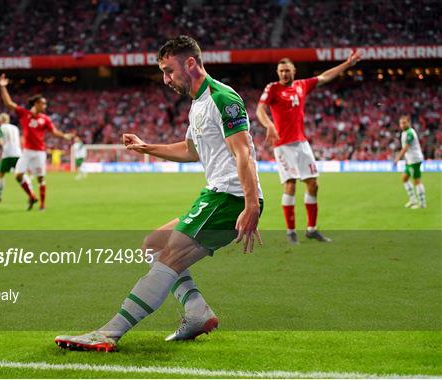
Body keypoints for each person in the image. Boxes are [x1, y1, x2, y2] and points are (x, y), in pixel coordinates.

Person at [55, 35, 263, 352]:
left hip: (229, 198)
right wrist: (145, 147)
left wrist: (250, 206)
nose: (166, 80)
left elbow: (244, 153)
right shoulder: (199, 104)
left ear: (190, 63)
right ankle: (197, 312)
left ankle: (108, 333)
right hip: (217, 195)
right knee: (153, 244)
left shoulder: (224, 99)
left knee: (169, 257)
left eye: (169, 71)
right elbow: (191, 150)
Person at [256, 53, 361, 244]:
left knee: (313, 184)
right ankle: (290, 232)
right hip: (283, 144)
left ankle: (311, 230)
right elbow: (259, 110)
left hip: (301, 143)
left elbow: (325, 76)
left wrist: (347, 63)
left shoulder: (302, 85)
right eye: (281, 71)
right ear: (277, 72)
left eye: (287, 70)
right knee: (290, 185)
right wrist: (269, 125)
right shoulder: (272, 88)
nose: (284, 74)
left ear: (294, 71)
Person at [0, 74, 73, 210]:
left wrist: (65, 136)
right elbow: (9, 104)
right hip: (26, 152)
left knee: (40, 179)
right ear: (36, 104)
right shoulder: (24, 114)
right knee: (18, 175)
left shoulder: (45, 119)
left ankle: (42, 205)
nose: (45, 106)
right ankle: (32, 196)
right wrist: (3, 87)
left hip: (39, 152)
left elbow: (54, 132)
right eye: (43, 103)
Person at [0, 113, 22, 202]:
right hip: (18, 153)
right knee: (21, 174)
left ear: (0, 120)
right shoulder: (15, 128)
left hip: (7, 154)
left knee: (1, 174)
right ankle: (31, 194)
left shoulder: (1, 128)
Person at [394, 114, 426, 209]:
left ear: (409, 123)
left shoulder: (409, 133)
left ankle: (422, 203)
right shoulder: (405, 133)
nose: (402, 125)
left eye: (404, 123)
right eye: (401, 123)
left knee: (417, 180)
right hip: (410, 160)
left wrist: (397, 158)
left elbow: (405, 148)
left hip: (414, 159)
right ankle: (413, 200)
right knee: (404, 178)